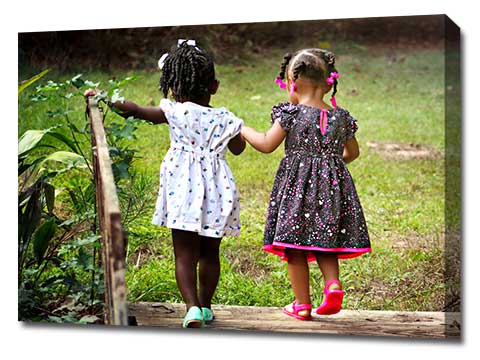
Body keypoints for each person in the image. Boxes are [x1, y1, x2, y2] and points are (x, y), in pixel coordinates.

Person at [85, 40, 246, 328]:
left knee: (184, 254)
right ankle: (207, 306)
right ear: (215, 86)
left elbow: (134, 110)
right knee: (210, 253)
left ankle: (192, 308)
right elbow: (238, 149)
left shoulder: (174, 111)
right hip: (218, 193)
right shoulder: (225, 118)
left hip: (182, 189)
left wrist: (104, 97)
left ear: (173, 86)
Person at [240, 48, 371, 320]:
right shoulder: (341, 117)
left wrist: (242, 129)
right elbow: (352, 153)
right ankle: (332, 284)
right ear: (328, 83)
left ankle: (301, 304)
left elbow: (266, 144)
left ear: (293, 82)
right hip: (332, 190)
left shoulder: (291, 114)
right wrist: (331, 166)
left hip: (296, 191)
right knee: (325, 239)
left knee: (294, 246)